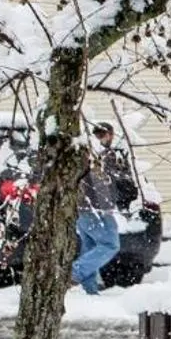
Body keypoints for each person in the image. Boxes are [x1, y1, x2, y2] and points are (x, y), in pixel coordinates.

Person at [70, 123, 126, 294]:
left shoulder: (83, 153)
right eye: (106, 135)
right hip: (97, 210)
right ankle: (73, 272)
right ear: (109, 135)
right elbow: (99, 183)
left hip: (82, 208)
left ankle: (91, 291)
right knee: (110, 245)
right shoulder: (99, 155)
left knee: (90, 247)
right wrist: (107, 207)